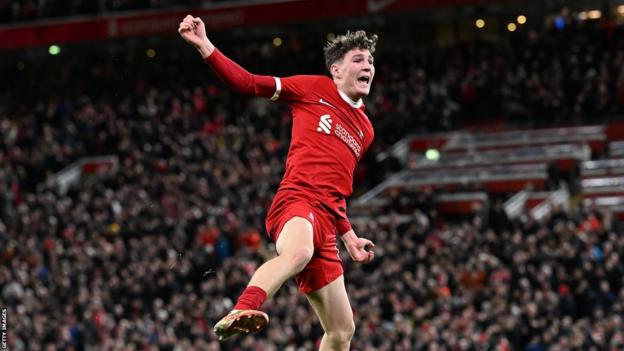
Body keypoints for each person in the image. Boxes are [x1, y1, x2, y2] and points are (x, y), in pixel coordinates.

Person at [178, 15, 377, 350]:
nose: (367, 65)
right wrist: (205, 46)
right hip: (296, 201)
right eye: (358, 59)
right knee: (299, 251)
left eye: (370, 61)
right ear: (337, 70)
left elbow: (337, 188)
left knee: (342, 331)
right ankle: (243, 308)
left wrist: (349, 237)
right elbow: (248, 83)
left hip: (327, 223)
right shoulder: (313, 89)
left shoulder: (365, 129)